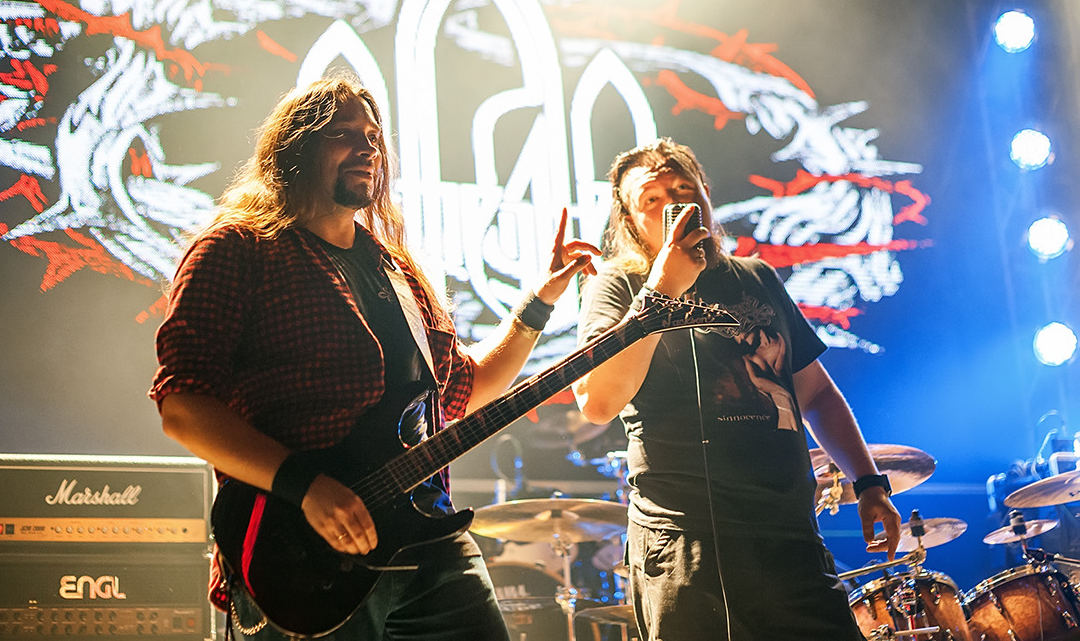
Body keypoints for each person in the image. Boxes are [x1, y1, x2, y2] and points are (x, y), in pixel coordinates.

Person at [148, 76, 599, 640]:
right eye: (343, 133)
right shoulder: (238, 249)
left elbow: (464, 389)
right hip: (305, 556)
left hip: (428, 536)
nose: (367, 148)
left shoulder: (398, 271)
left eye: (373, 136)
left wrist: (539, 302)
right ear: (295, 148)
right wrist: (306, 486)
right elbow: (184, 407)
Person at [573, 138, 902, 641]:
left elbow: (815, 393)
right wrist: (662, 290)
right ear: (630, 221)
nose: (674, 204)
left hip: (788, 534)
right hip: (687, 542)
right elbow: (597, 402)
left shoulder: (756, 277)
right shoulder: (616, 284)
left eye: (684, 190)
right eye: (652, 199)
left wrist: (869, 482)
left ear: (707, 196)